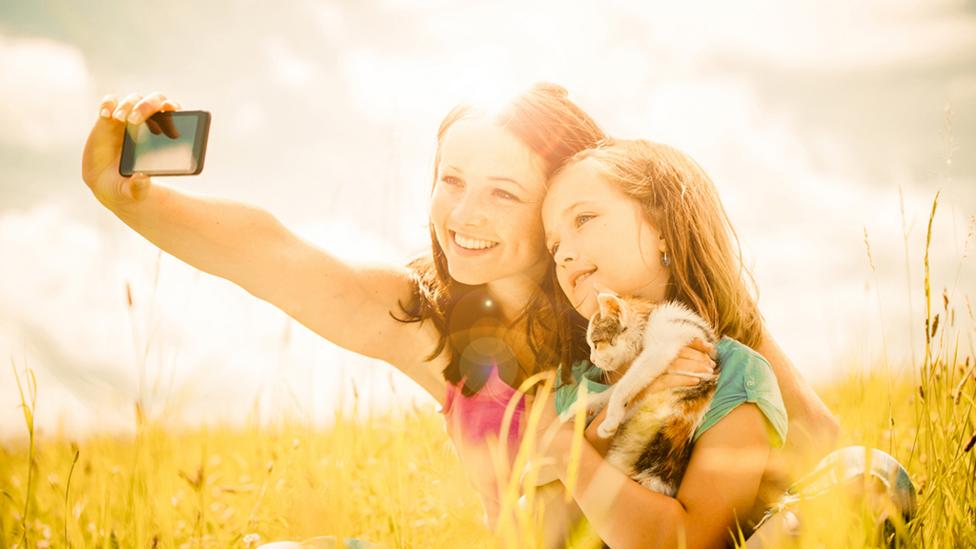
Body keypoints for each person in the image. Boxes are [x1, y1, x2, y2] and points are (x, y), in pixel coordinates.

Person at [80, 85, 838, 543]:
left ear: (563, 202)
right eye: (451, 180)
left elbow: (816, 440)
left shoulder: (652, 317)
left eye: (504, 193)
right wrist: (132, 200)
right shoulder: (429, 324)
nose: (464, 215)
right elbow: (274, 253)